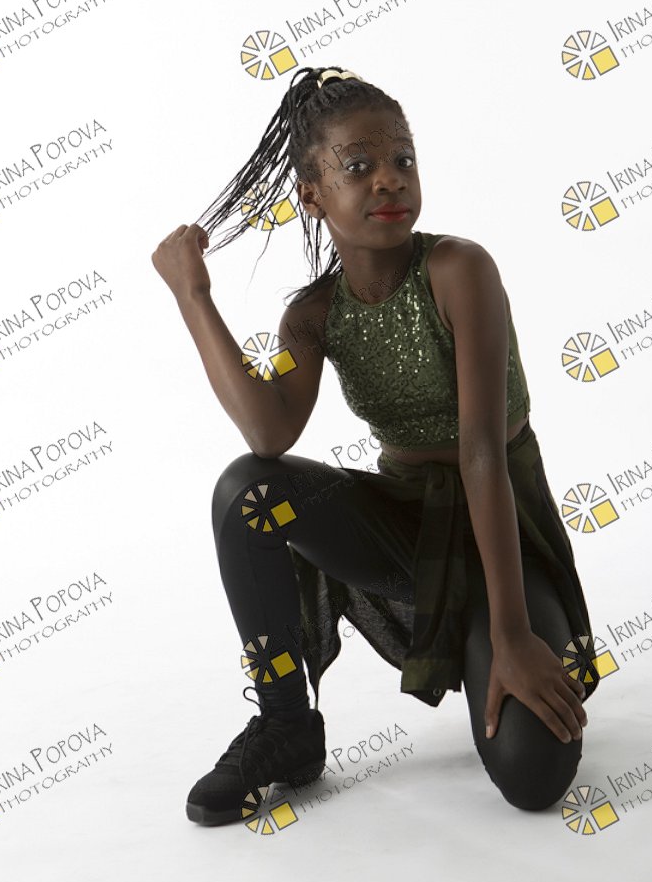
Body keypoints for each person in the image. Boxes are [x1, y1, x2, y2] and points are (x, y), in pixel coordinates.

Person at [151, 65, 601, 827]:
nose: (389, 179)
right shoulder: (314, 315)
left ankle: (487, 629)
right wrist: (194, 297)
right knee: (246, 490)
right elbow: (268, 431)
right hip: (408, 532)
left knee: (534, 774)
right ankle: (286, 724)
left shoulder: (460, 271)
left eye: (402, 159)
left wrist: (513, 633)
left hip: (505, 537)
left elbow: (481, 452)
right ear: (312, 195)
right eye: (358, 166)